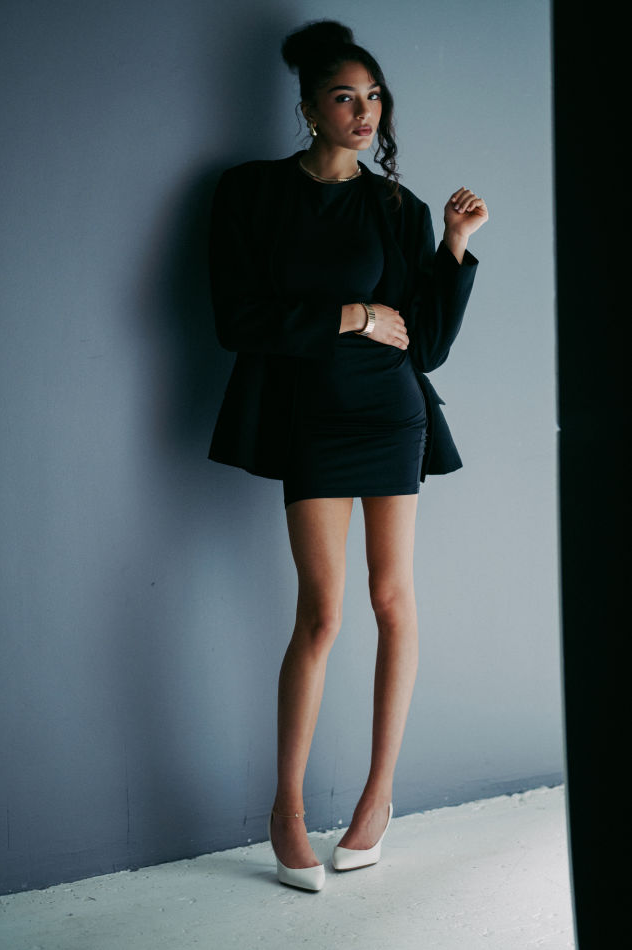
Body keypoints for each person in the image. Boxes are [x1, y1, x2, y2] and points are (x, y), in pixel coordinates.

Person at [207, 20, 488, 892]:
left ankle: (376, 798)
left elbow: (426, 345)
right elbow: (237, 321)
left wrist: (452, 248)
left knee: (392, 601)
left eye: (373, 98)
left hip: (390, 414)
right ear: (307, 108)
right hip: (310, 418)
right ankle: (285, 812)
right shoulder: (250, 192)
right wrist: (352, 315)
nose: (364, 113)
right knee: (322, 617)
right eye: (344, 97)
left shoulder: (396, 209)